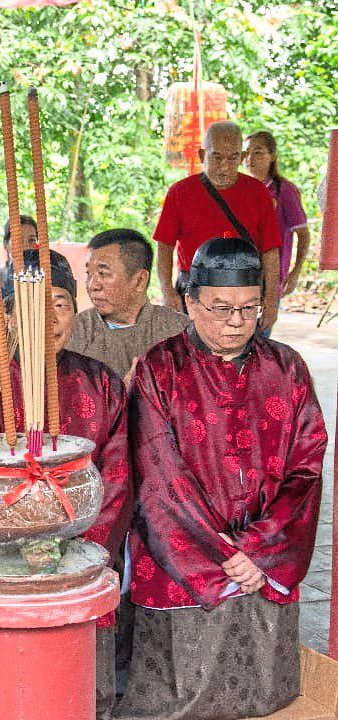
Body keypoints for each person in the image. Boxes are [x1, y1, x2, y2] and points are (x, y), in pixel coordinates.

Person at [115, 238, 326, 720]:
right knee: (179, 700)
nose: (236, 321)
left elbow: (306, 466)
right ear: (190, 302)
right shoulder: (159, 367)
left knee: (261, 700)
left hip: (263, 554)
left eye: (249, 308)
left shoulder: (287, 367)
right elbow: (157, 476)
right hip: (184, 553)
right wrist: (223, 554)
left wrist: (260, 547)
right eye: (222, 308)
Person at [0, 250, 131, 719]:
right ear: (7, 314)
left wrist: (72, 552)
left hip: (78, 566)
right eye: (30, 306)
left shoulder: (100, 383)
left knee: (81, 691)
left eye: (60, 304)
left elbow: (119, 479)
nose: (47, 319)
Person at [155, 121, 281, 330]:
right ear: (203, 155)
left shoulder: (258, 193)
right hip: (195, 292)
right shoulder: (180, 192)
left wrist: (271, 299)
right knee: (192, 357)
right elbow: (164, 246)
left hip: (244, 292)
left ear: (241, 158)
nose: (224, 166)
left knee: (241, 358)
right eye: (216, 157)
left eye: (232, 158)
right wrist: (167, 291)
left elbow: (270, 251)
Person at [67, 229, 188, 383]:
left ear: (140, 280)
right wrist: (119, 394)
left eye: (103, 274)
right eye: (89, 274)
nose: (92, 285)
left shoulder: (178, 331)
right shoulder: (75, 331)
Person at [245, 130, 310, 296]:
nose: (250, 159)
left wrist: (295, 272)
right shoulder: (242, 189)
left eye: (258, 152)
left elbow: (303, 234)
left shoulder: (284, 191)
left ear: (272, 156)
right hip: (241, 275)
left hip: (271, 276)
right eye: (246, 153)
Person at [0, 214, 37, 289]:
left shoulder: (46, 273)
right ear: (5, 244)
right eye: (19, 240)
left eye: (31, 240)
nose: (26, 245)